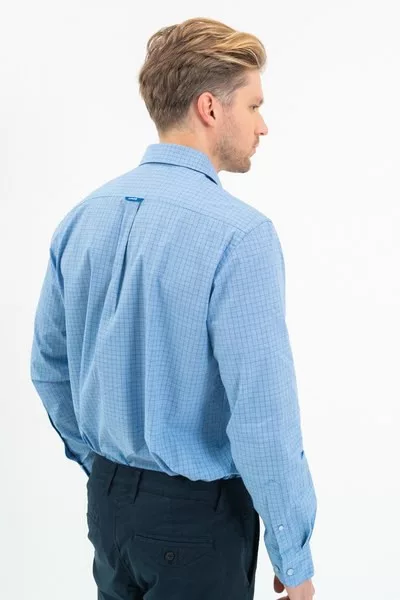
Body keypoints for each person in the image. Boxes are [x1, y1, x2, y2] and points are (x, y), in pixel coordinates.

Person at [30, 16, 317, 600]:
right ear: (210, 108)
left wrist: (108, 469)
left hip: (109, 510)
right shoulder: (240, 236)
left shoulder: (82, 218)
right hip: (198, 524)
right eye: (254, 106)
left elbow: (49, 369)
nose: (263, 125)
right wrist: (294, 553)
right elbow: (262, 415)